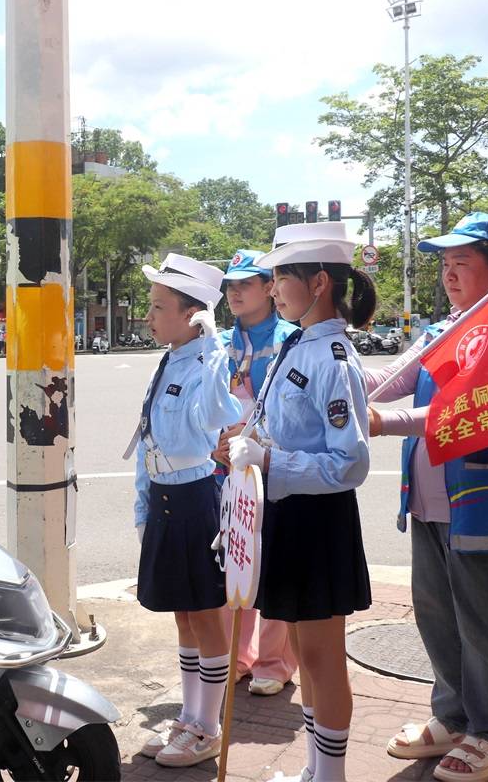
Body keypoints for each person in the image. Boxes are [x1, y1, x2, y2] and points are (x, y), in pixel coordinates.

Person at [366, 213, 488, 782]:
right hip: (429, 501)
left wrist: (380, 422)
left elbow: (463, 411)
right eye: (444, 265)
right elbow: (391, 380)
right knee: (437, 615)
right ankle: (452, 717)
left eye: (461, 263)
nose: (448, 275)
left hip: (486, 502)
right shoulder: (448, 327)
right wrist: (344, 386)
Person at [227, 221, 376, 782]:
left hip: (318, 519)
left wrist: (267, 460)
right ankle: (317, 770)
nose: (271, 288)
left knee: (321, 659)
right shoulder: (299, 343)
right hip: (287, 515)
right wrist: (249, 445)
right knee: (301, 650)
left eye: (278, 277)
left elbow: (349, 462)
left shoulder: (331, 356)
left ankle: (329, 775)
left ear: (318, 282)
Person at [128, 253, 242, 767]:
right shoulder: (168, 359)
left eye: (158, 307)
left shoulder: (205, 360)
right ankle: (189, 718)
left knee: (205, 613)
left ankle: (207, 726)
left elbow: (221, 415)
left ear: (193, 315)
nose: (148, 316)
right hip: (165, 498)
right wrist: (142, 504)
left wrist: (213, 345)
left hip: (197, 498)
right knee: (182, 614)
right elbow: (148, 436)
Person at [211, 249, 301, 698]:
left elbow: (291, 412)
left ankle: (275, 661)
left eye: (245, 283)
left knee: (276, 563)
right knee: (236, 557)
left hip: (274, 466)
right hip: (228, 469)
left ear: (270, 287)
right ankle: (237, 656)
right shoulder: (220, 343)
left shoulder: (290, 339)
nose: (235, 291)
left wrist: (257, 443)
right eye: (231, 284)